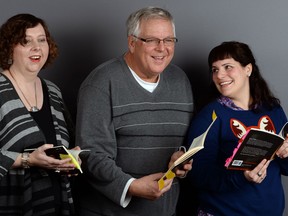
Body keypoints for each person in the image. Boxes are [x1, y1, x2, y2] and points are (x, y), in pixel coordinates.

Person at [74, 6, 194, 216]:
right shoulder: (101, 83)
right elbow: (90, 153)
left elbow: (184, 140)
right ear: (132, 42)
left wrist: (182, 159)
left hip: (165, 210)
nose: (162, 47)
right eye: (152, 40)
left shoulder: (180, 80)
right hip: (109, 212)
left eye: (169, 40)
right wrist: (130, 185)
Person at [186, 41, 288, 216]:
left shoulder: (273, 110)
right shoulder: (210, 116)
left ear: (248, 69)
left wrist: (286, 154)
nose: (220, 75)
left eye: (227, 67)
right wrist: (242, 177)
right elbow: (198, 175)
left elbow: (285, 168)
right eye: (215, 69)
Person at [0, 13, 80, 215]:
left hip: (55, 203)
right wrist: (27, 160)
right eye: (26, 41)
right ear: (9, 47)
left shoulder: (52, 91)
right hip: (12, 203)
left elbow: (65, 143)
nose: (37, 47)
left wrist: (71, 159)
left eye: (42, 40)